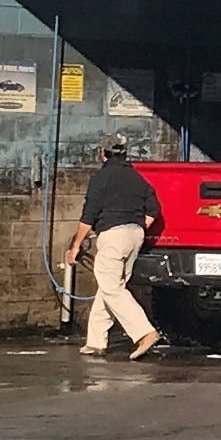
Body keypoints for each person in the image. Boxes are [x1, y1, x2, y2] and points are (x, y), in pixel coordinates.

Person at [71, 141, 163, 360]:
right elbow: (154, 209)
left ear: (102, 154)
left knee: (112, 288)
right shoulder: (138, 178)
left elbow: (89, 215)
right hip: (135, 235)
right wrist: (140, 226)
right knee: (110, 287)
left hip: (112, 235)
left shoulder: (100, 179)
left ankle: (144, 332)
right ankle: (95, 341)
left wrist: (75, 246)